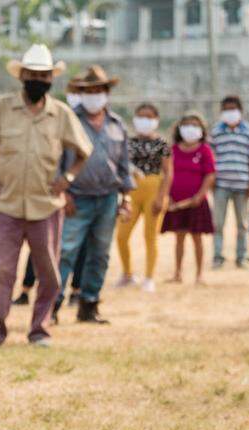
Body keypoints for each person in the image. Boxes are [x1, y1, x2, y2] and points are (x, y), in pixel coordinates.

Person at [0, 44, 92, 347]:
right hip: (6, 204)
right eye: (32, 74)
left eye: (43, 75)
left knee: (49, 273)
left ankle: (40, 330)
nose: (37, 79)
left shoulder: (60, 114)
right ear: (21, 76)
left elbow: (84, 150)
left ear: (51, 79)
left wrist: (68, 177)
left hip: (46, 206)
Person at [51, 65, 134, 324]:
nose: (94, 95)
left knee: (100, 254)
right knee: (65, 251)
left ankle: (89, 304)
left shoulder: (117, 124)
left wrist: (126, 198)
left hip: (107, 198)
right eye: (89, 91)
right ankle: (51, 306)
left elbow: (123, 165)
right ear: (81, 93)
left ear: (107, 93)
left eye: (99, 90)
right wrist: (63, 194)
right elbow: (56, 160)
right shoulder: (69, 121)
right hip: (76, 197)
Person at [115, 103, 170, 293]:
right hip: (132, 190)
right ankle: (127, 273)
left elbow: (168, 173)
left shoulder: (162, 144)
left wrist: (162, 197)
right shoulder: (127, 142)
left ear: (156, 119)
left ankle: (149, 277)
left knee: (150, 236)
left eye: (149, 117)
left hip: (153, 189)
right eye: (140, 116)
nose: (144, 120)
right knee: (121, 235)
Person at [162, 113, 215, 284]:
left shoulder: (204, 150)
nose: (190, 129)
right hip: (175, 202)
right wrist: (167, 196)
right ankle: (177, 273)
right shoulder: (173, 150)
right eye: (186, 125)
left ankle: (199, 274)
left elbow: (210, 174)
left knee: (197, 238)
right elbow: (166, 173)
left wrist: (200, 196)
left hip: (196, 202)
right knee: (179, 238)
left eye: (194, 125)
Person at [209, 95, 249, 269]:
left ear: (240, 110)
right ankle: (217, 256)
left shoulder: (248, 131)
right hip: (221, 184)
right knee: (218, 223)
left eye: (233, 109)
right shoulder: (216, 131)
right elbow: (210, 158)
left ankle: (241, 256)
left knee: (242, 224)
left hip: (242, 184)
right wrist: (211, 182)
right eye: (226, 109)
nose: (229, 113)